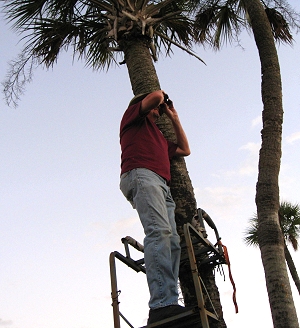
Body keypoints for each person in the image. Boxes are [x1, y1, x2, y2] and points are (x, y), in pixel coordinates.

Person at [119, 90, 191, 325]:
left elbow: (185, 149)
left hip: (162, 184)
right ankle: (161, 304)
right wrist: (162, 99)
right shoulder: (132, 117)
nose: (158, 112)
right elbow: (156, 96)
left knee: (171, 241)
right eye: (157, 110)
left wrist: (174, 117)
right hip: (141, 174)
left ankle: (168, 300)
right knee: (158, 232)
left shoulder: (160, 138)